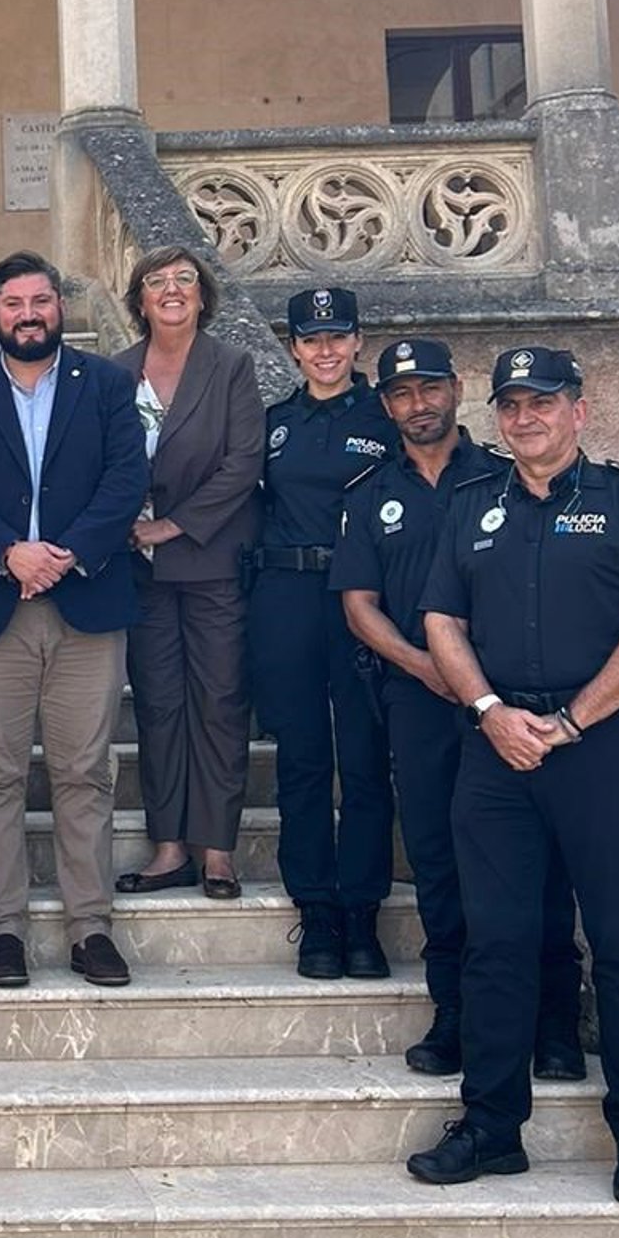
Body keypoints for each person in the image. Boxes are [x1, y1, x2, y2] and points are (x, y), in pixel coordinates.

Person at [412, 345, 619, 1207]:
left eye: (542, 402)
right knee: (495, 946)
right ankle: (492, 1129)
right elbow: (440, 620)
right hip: (498, 750)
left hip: (605, 752)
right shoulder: (472, 505)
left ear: (579, 410)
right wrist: (489, 711)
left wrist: (572, 721)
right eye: (510, 405)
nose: (525, 417)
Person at [333, 338, 582, 1078]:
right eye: (402, 393)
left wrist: (480, 687)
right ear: (386, 406)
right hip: (420, 700)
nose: (419, 404)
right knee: (437, 859)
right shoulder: (369, 492)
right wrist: (426, 666)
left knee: (539, 859)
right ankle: (455, 1016)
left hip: (511, 703)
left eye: (430, 388)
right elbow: (359, 605)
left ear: (457, 389)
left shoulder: (507, 478)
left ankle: (555, 1022)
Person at [0, 252, 148, 991]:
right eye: (14, 303)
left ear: (60, 307)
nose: (28, 314)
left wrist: (66, 554)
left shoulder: (109, 385)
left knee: (84, 772)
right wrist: (7, 553)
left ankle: (91, 927)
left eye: (41, 301)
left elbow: (127, 477)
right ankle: (5, 931)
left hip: (85, 603)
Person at [247, 285, 395, 981]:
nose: (326, 350)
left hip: (362, 598)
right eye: (312, 339)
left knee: (363, 759)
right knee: (302, 761)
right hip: (286, 598)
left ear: (357, 341)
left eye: (338, 337)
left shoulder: (386, 416)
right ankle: (317, 911)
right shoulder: (275, 423)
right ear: (294, 348)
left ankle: (362, 911)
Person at [109, 246, 263, 903]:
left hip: (211, 561)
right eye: (156, 282)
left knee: (219, 702)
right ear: (139, 301)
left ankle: (217, 848)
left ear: (202, 296)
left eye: (184, 280)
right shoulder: (116, 372)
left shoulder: (231, 366)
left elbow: (244, 461)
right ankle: (170, 846)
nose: (171, 290)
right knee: (158, 704)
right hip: (138, 570)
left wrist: (172, 526)